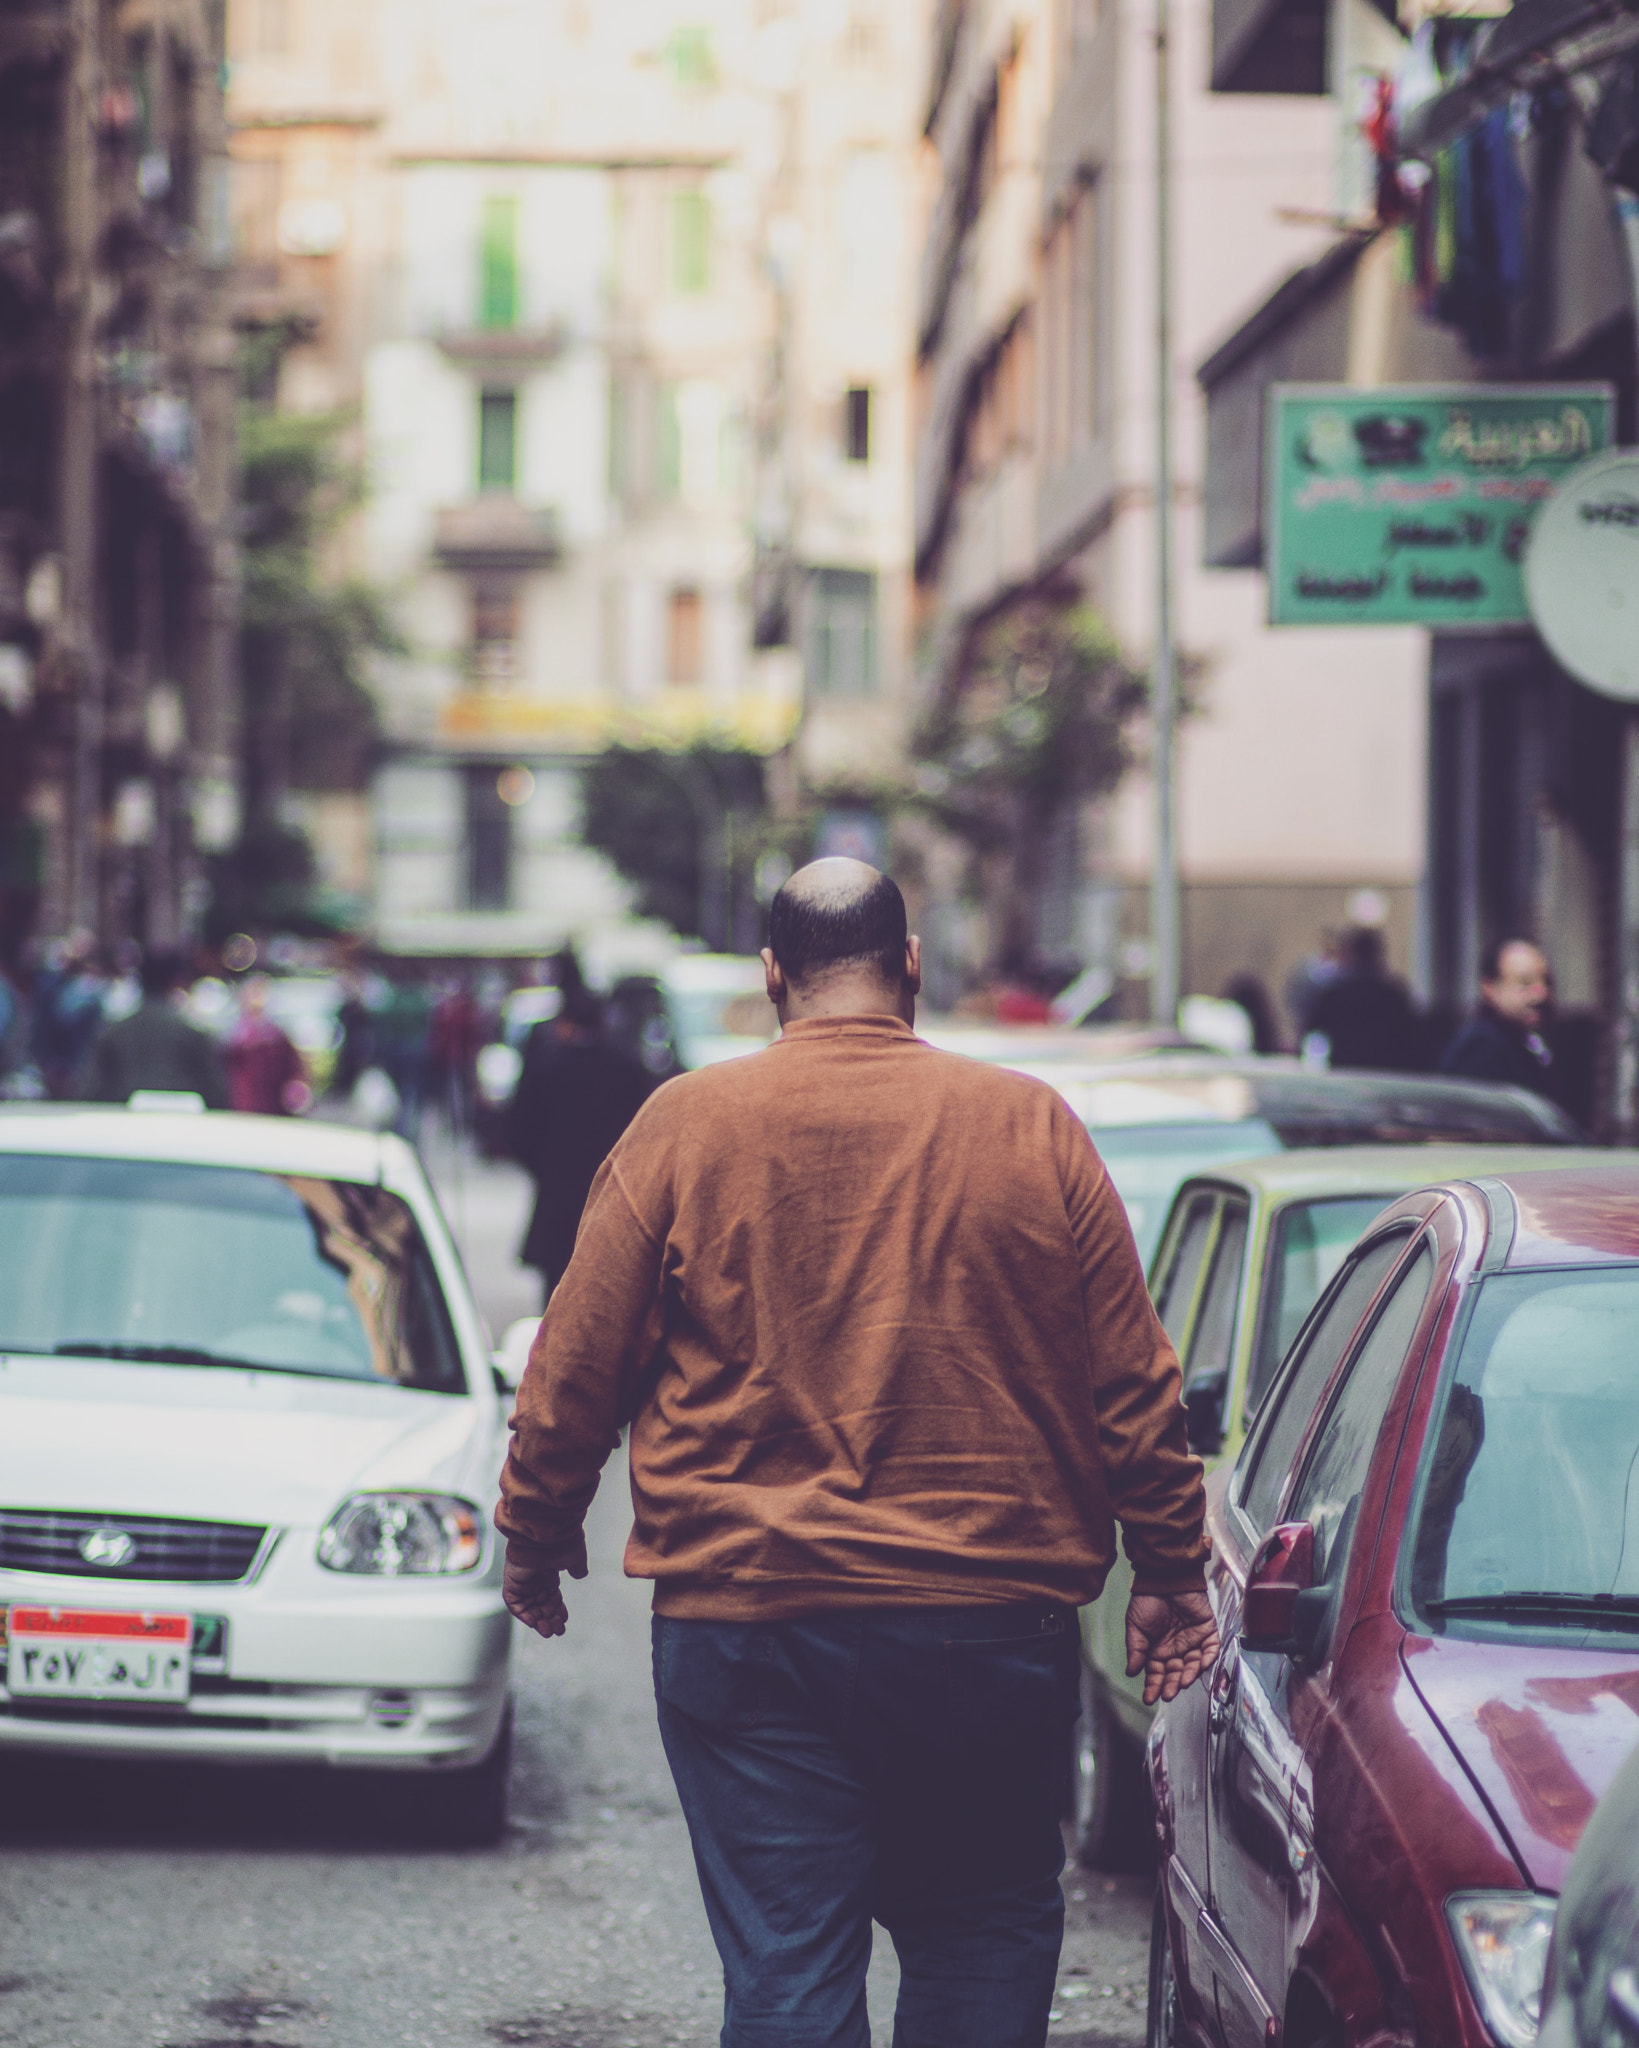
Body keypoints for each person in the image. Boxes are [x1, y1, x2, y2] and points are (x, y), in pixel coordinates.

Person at [497, 858, 1217, 2048]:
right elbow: (1133, 1383)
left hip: (747, 1627)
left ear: (771, 976)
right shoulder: (1029, 1124)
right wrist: (1171, 1568)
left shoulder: (686, 1124)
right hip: (986, 1627)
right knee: (982, 1928)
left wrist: (535, 1532)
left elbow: (571, 1371)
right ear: (913, 967)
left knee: (787, 1964)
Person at [508, 975, 653, 1306]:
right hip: (612, 1196)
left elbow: (517, 1132)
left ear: (565, 1024)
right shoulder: (628, 1068)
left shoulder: (545, 1067)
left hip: (557, 1194)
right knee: (610, 1295)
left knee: (556, 1296)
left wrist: (543, 1166)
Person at [83, 947, 228, 1107]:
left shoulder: (113, 1032)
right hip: (181, 1125)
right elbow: (218, 1094)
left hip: (124, 1123)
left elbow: (89, 1089)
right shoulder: (193, 1035)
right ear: (176, 982)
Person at [1439, 937, 1556, 1099]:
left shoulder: (1517, 1041)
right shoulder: (1481, 1048)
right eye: (1525, 982)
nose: (1541, 994)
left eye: (1546, 982)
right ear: (1490, 987)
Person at [1302, 924, 1419, 1071]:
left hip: (1345, 1077)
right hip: (1387, 1077)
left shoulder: (1333, 994)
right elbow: (1412, 1040)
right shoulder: (1395, 994)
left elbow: (1310, 1033)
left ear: (1349, 953)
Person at [223, 975, 307, 1115]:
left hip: (274, 1109)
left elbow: (294, 1070)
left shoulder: (278, 1037)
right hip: (243, 1108)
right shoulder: (233, 1037)